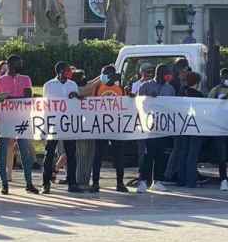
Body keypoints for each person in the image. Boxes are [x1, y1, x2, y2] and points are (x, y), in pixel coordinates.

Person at [0, 55, 38, 195]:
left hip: (22, 120)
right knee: (3, 153)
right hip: (5, 120)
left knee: (25, 153)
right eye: (18, 63)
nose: (21, 64)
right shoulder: (0, 81)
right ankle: (4, 185)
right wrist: (13, 99)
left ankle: (29, 183)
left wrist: (10, 98)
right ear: (10, 64)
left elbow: (28, 97)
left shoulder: (26, 79)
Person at [83, 65, 128, 193]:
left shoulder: (121, 89)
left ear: (113, 75)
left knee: (119, 156)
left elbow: (127, 106)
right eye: (102, 73)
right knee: (98, 156)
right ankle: (95, 183)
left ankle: (120, 183)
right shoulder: (97, 88)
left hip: (116, 128)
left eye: (105, 73)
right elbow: (89, 101)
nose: (103, 76)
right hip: (101, 127)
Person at [41, 62, 82, 194]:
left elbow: (77, 104)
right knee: (49, 154)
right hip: (53, 124)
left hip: (68, 123)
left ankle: (72, 183)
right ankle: (45, 184)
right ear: (59, 72)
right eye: (67, 71)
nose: (69, 73)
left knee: (71, 154)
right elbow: (45, 105)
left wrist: (76, 97)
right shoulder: (48, 85)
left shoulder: (72, 85)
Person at [136, 63, 176, 194]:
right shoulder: (145, 86)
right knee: (147, 155)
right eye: (166, 73)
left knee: (160, 155)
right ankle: (142, 181)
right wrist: (148, 99)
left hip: (162, 127)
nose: (168, 75)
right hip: (148, 127)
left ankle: (157, 181)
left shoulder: (170, 89)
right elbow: (137, 104)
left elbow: (173, 106)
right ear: (158, 73)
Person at [177, 72, 206, 188]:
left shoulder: (181, 93)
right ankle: (191, 181)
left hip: (182, 126)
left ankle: (181, 180)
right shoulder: (199, 95)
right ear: (197, 82)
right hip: (195, 127)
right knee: (192, 154)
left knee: (183, 152)